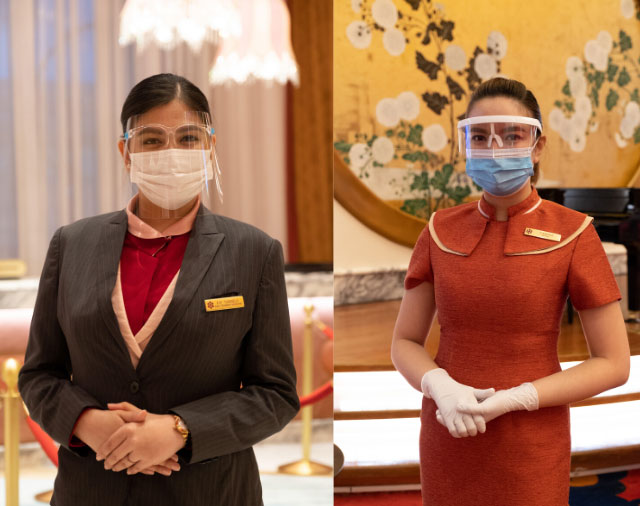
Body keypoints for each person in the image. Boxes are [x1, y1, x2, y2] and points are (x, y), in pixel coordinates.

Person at [18, 73, 299, 505]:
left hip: (211, 493)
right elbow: (39, 375)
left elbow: (275, 395)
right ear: (125, 152)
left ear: (210, 147)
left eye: (188, 138)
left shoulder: (254, 252)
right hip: (91, 490)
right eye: (151, 140)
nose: (171, 152)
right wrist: (87, 422)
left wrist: (180, 429)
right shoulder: (71, 245)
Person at [390, 77, 630, 506]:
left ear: (537, 146)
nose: (495, 148)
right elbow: (405, 341)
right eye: (480, 137)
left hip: (532, 438)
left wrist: (519, 398)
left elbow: (614, 363)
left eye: (512, 135)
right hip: (448, 428)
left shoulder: (574, 233)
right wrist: (439, 385)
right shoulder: (439, 230)